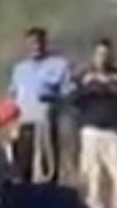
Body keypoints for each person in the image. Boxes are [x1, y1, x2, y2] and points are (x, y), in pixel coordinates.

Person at [72, 38, 117, 208]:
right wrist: (92, 86)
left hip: (114, 132)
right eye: (99, 54)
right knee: (93, 175)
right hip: (90, 131)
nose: (103, 58)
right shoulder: (85, 76)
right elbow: (73, 99)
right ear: (94, 56)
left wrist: (113, 87)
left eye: (106, 54)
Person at [8, 27, 74, 184]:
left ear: (45, 43)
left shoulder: (59, 65)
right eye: (31, 43)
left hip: (45, 123)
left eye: (38, 42)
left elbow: (69, 94)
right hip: (24, 123)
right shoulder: (20, 69)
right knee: (22, 169)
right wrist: (11, 125)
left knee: (47, 170)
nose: (35, 47)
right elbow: (12, 97)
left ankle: (48, 194)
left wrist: (53, 97)